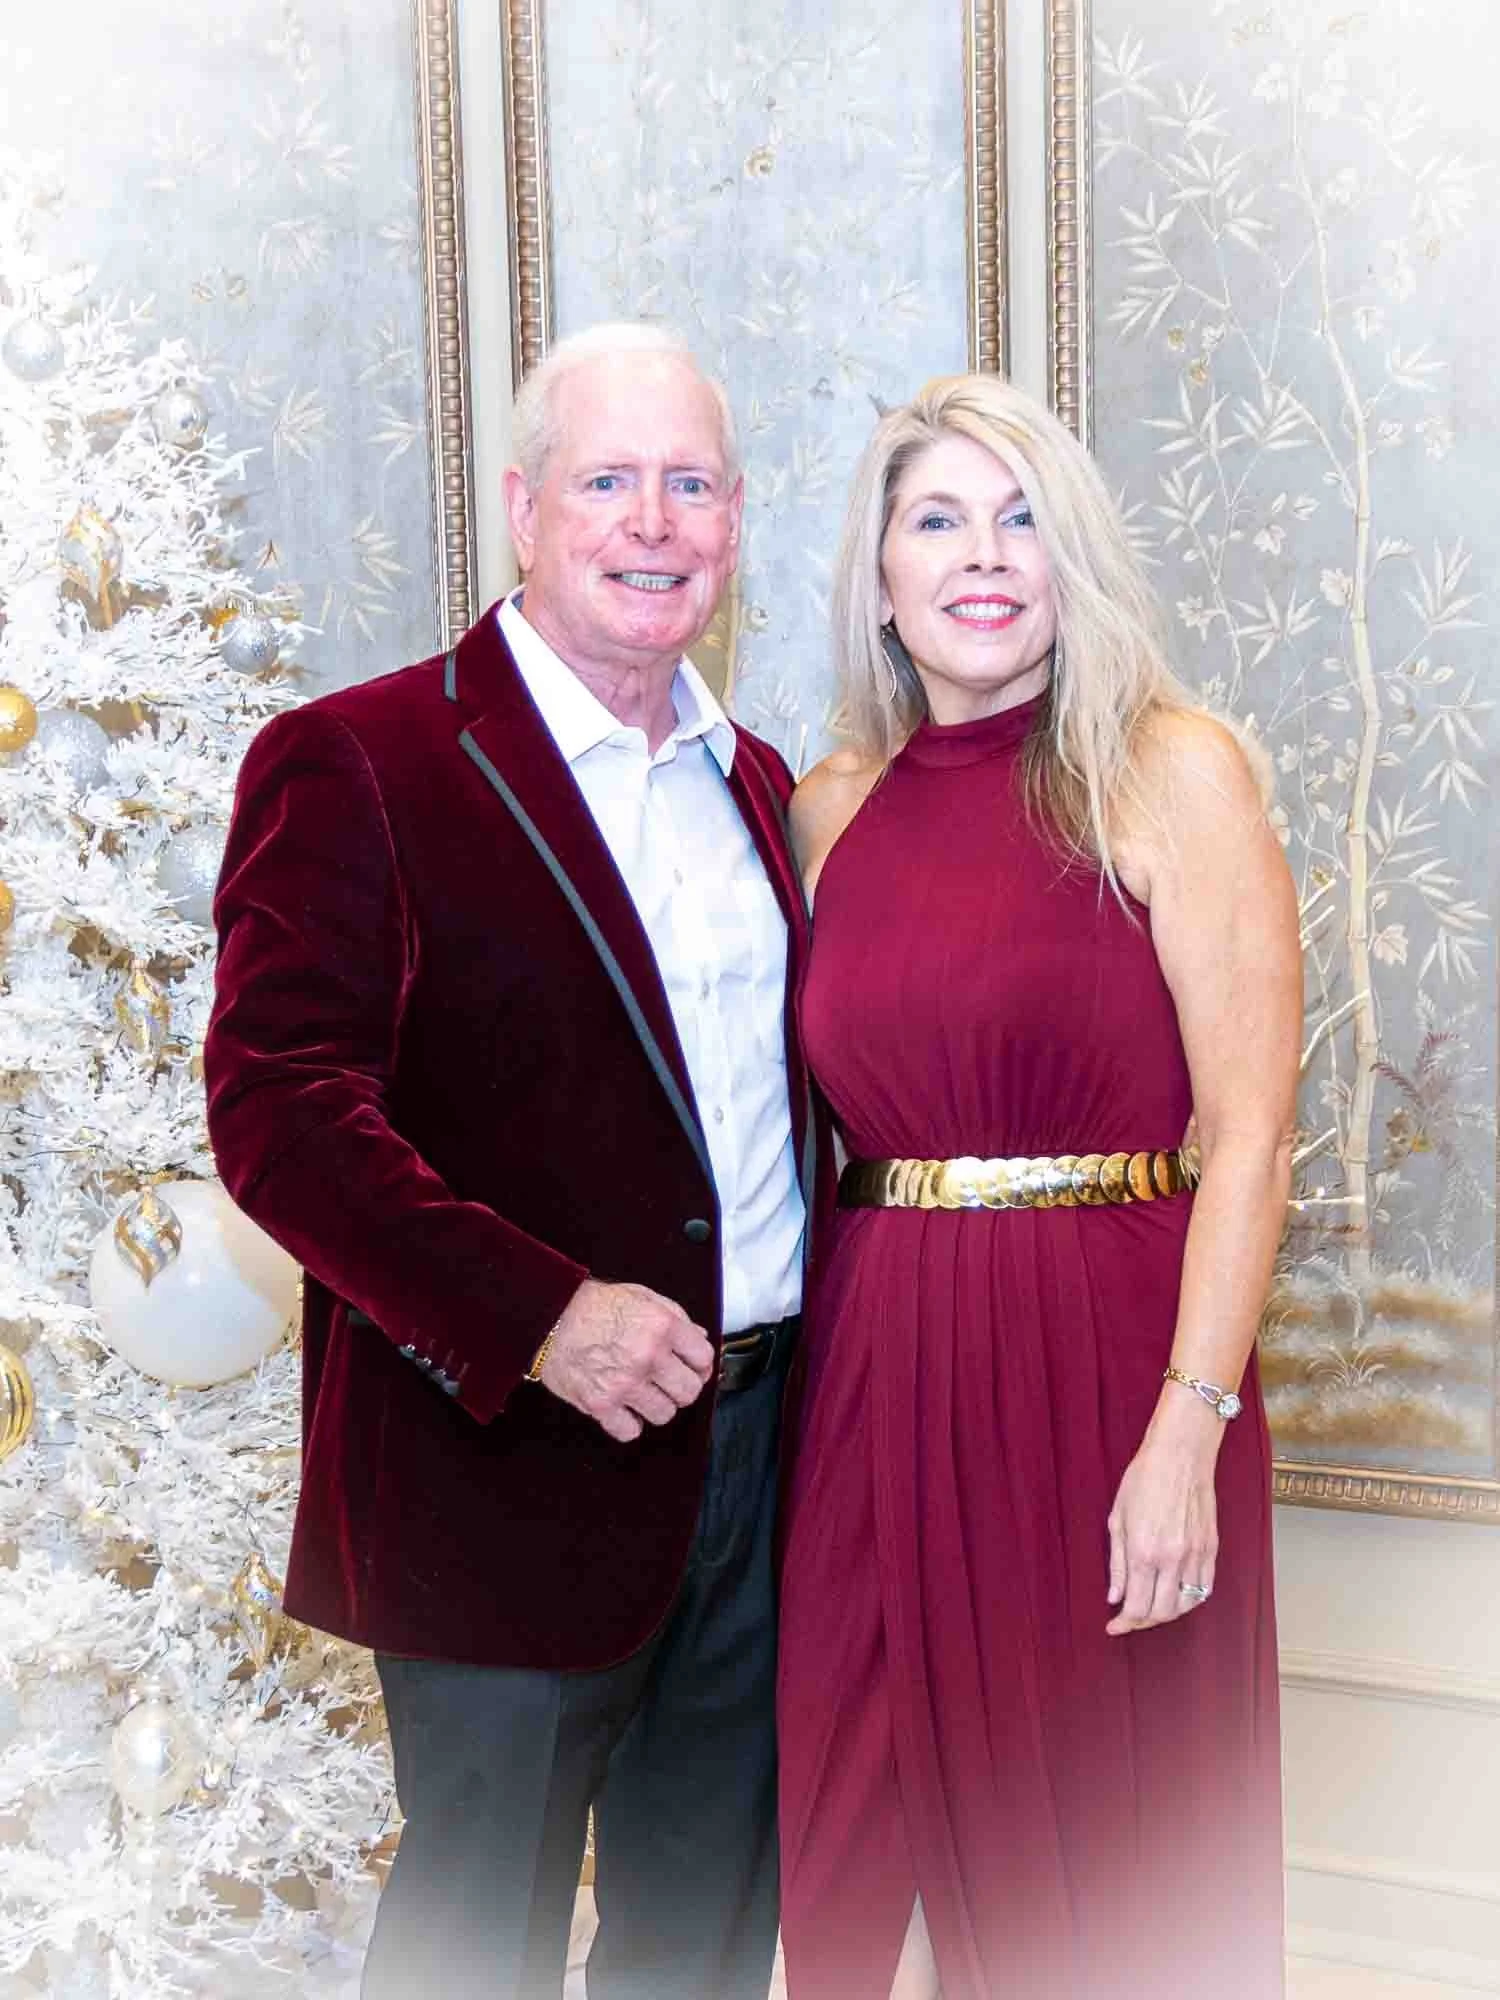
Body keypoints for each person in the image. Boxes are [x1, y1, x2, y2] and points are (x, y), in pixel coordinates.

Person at [205, 323, 820, 2000]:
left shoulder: (759, 787)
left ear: (739, 516)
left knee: (701, 1948)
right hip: (496, 1475)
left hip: (764, 1470)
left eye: (689, 484)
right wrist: (541, 1315)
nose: (653, 521)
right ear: (524, 507)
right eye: (610, 480)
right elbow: (277, 1111)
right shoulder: (363, 762)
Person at [775, 373, 1299, 1999]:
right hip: (872, 1370)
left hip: (1110, 1371)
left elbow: (1257, 1134)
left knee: (1098, 1847)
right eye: (937, 519)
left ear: (1073, 561)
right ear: (879, 573)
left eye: (1022, 520)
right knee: (849, 1829)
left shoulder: (1171, 771)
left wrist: (1184, 1431)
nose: (982, 556)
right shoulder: (826, 806)